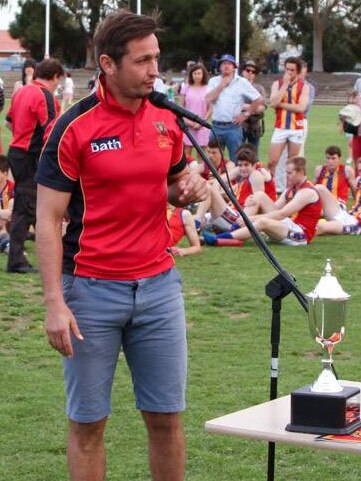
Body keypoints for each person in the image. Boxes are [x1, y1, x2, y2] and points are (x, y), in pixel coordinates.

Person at [35, 10, 207, 481]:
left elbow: (172, 183)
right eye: (143, 60)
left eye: (157, 58)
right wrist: (54, 303)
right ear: (108, 64)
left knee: (167, 419)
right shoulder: (73, 126)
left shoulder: (165, 119)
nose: (156, 70)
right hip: (90, 293)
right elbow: (48, 219)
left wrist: (185, 188)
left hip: (159, 289)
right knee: (89, 424)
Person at [6, 58, 64, 273]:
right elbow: (51, 131)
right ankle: (16, 259)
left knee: (29, 200)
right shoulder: (45, 95)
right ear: (56, 76)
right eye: (59, 80)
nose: (58, 85)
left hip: (17, 151)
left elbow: (9, 122)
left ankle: (29, 238)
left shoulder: (22, 90)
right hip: (31, 155)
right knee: (26, 204)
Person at [204, 156, 321, 247]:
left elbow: (282, 214)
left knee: (263, 222)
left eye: (289, 173)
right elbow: (274, 208)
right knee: (259, 195)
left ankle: (222, 237)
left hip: (301, 235)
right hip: (289, 225)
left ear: (300, 172)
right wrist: (254, 201)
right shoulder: (292, 189)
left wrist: (251, 218)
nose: (286, 176)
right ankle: (235, 228)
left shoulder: (307, 192)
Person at [196, 145, 276, 235]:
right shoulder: (248, 174)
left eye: (246, 165)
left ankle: (198, 222)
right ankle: (197, 222)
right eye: (240, 165)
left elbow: (255, 204)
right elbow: (219, 181)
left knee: (207, 188)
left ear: (254, 164)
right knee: (191, 220)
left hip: (237, 220)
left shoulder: (257, 175)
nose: (242, 168)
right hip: (233, 214)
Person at [206, 54, 262, 163]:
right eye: (223, 64)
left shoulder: (241, 82)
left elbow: (258, 99)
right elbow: (208, 99)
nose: (226, 66)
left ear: (234, 67)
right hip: (216, 126)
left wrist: (246, 114)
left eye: (229, 64)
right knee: (213, 160)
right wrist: (221, 85)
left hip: (233, 127)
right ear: (219, 66)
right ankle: (215, 180)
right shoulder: (213, 81)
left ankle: (236, 180)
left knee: (236, 160)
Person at [268, 56, 310, 176]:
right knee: (272, 161)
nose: (289, 72)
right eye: (287, 69)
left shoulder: (304, 87)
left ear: (297, 71)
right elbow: (272, 103)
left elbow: (301, 108)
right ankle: (271, 188)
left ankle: (290, 191)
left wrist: (280, 104)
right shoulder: (278, 84)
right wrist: (285, 84)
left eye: (292, 70)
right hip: (280, 127)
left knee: (292, 163)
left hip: (296, 128)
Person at [179, 63, 211, 159]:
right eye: (195, 73)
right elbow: (181, 108)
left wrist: (201, 122)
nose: (197, 76)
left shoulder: (208, 88)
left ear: (203, 75)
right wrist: (188, 122)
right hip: (188, 125)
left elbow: (210, 109)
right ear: (191, 75)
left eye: (199, 73)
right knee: (186, 153)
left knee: (202, 154)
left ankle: (202, 173)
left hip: (202, 125)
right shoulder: (186, 88)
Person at [241, 60, 266, 152]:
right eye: (248, 70)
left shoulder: (259, 88)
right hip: (240, 124)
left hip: (255, 125)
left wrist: (246, 107)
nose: (250, 73)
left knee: (254, 154)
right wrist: (254, 107)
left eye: (253, 72)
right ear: (243, 71)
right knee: (239, 152)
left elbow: (262, 107)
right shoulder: (236, 86)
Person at [0, 155, 14, 254]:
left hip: (10, 224)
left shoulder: (13, 188)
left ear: (4, 173)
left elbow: (12, 213)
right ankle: (7, 243)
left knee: (12, 202)